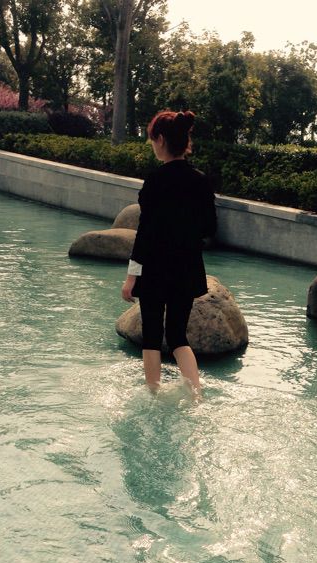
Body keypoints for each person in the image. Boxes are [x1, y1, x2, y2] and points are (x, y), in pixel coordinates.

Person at [121, 110, 216, 395]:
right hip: (186, 268)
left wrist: (131, 277)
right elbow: (209, 228)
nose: (152, 145)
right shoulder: (200, 180)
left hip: (155, 269)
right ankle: (196, 396)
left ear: (161, 139)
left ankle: (153, 395)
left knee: (151, 335)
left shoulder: (155, 180)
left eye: (152, 140)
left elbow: (144, 234)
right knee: (177, 336)